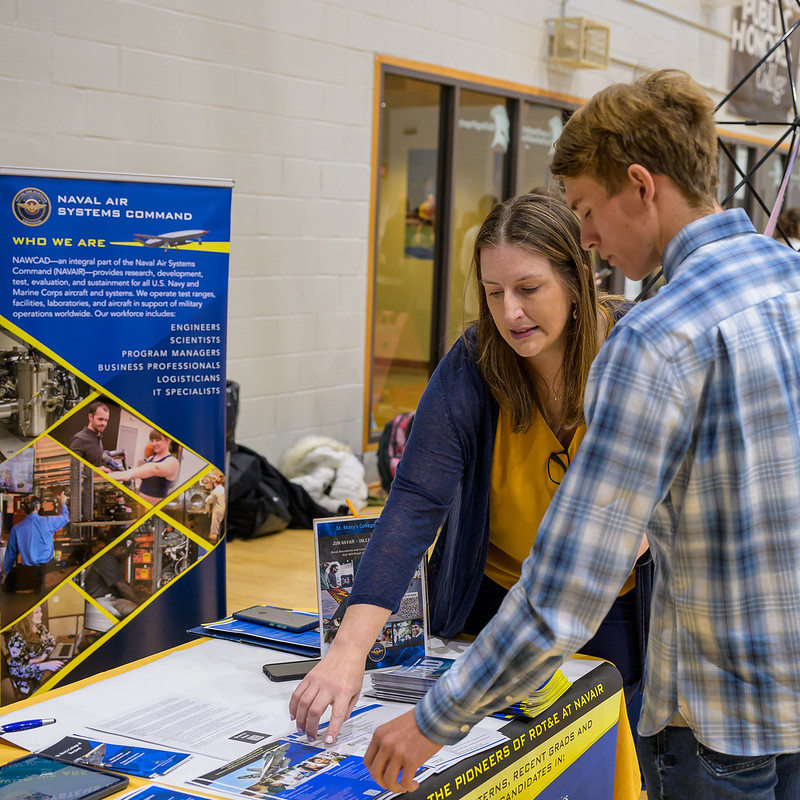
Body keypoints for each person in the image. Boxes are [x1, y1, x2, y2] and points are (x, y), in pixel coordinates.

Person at [361, 68, 800, 799]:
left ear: (641, 185)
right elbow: (417, 499)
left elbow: (565, 588)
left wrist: (436, 719)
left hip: (721, 725)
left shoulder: (656, 338)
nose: (590, 237)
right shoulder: (789, 282)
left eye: (588, 209)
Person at [290, 194, 651, 745]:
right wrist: (347, 651)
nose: (510, 313)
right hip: (492, 601)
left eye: (529, 290)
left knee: (600, 749)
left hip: (610, 605)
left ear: (576, 280)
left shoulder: (639, 349)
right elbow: (413, 502)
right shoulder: (474, 361)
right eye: (493, 293)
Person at [2, 492, 69, 593]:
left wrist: (6, 574)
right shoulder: (48, 522)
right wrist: (62, 503)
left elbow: (10, 555)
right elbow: (65, 518)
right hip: (48, 571)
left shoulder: (16, 529)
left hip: (28, 573)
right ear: (37, 507)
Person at [4, 605, 64, 697]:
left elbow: (52, 642)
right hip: (25, 677)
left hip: (40, 666)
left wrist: (41, 658)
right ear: (26, 616)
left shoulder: (41, 628)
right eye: (36, 612)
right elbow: (21, 668)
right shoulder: (15, 639)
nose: (41, 614)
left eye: (40, 611)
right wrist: (46, 665)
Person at [108, 429, 180, 505]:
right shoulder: (150, 458)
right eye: (152, 440)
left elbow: (154, 468)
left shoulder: (172, 462)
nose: (153, 444)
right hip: (140, 505)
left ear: (168, 440)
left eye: (157, 440)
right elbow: (144, 481)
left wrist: (128, 474)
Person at [84, 539, 139, 618]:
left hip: (109, 599)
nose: (127, 557)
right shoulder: (106, 559)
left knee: (131, 608)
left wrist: (133, 589)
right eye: (128, 553)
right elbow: (123, 588)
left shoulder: (109, 558)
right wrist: (141, 603)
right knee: (125, 616)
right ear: (121, 549)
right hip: (97, 602)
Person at [68, 401, 110, 466]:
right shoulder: (79, 439)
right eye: (100, 419)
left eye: (106, 420)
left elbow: (95, 460)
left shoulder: (98, 437)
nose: (103, 424)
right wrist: (97, 470)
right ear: (90, 417)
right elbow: (73, 468)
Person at [204, 473, 226, 542]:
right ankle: (219, 537)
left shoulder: (215, 491)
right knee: (219, 524)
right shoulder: (223, 489)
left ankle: (213, 539)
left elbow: (208, 500)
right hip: (223, 509)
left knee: (215, 526)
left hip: (217, 510)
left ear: (215, 483)